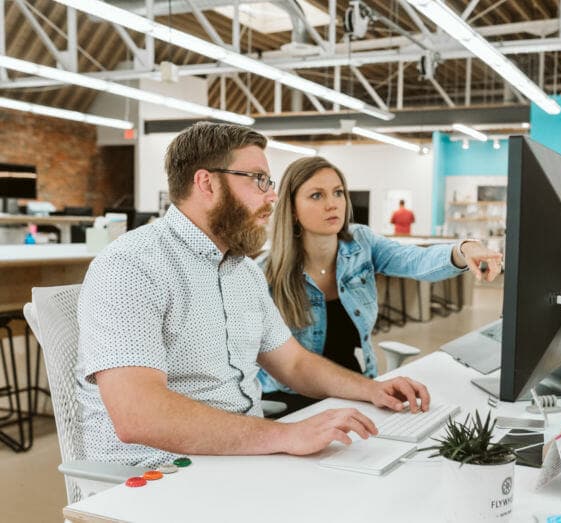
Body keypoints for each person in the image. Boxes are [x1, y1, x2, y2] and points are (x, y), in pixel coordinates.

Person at [76, 122, 430, 467]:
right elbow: (140, 415)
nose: (272, 196)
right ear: (206, 183)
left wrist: (371, 389)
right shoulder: (131, 266)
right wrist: (286, 435)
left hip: (245, 455)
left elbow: (293, 362)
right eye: (259, 180)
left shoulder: (242, 270)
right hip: (165, 472)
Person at [261, 156, 503, 411]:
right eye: (316, 196)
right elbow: (282, 365)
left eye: (338, 193)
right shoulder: (265, 274)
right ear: (292, 208)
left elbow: (415, 259)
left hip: (356, 387)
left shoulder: (361, 243)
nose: (332, 204)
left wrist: (463, 249)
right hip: (293, 398)